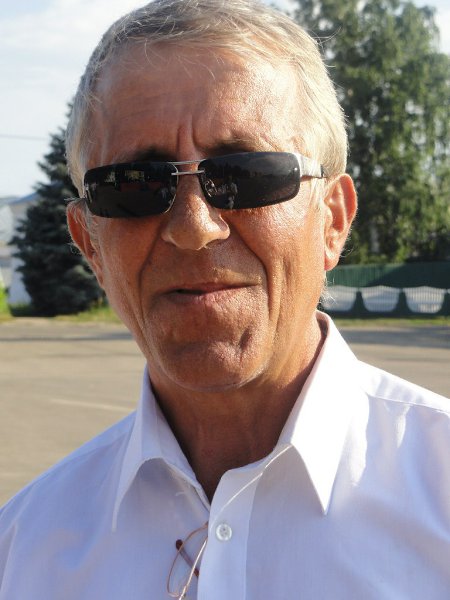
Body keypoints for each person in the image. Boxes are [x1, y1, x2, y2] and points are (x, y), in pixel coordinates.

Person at [1, 0, 449, 598]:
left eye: (247, 174)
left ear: (333, 220)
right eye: (135, 186)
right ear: (90, 244)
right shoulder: (23, 552)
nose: (194, 227)